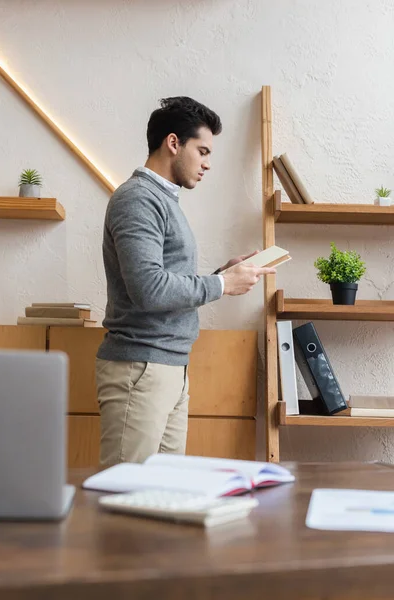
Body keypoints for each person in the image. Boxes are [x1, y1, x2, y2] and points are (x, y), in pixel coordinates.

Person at [96, 96, 276, 466]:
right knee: (125, 498)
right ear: (173, 143)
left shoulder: (163, 201)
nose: (208, 164)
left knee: (163, 496)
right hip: (141, 367)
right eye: (203, 151)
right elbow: (148, 289)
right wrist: (223, 286)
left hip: (168, 367)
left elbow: (165, 284)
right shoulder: (138, 199)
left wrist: (221, 276)